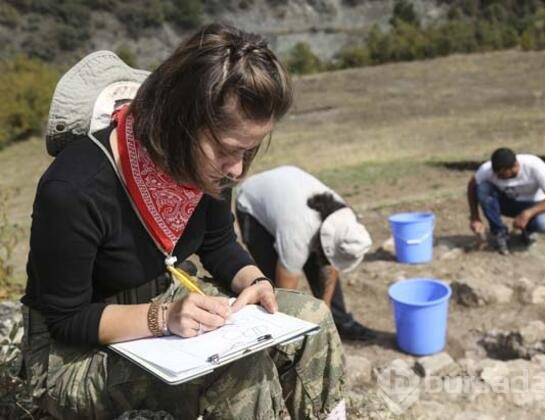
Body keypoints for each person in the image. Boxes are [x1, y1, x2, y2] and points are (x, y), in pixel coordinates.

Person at [20, 23, 346, 420]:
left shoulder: (206, 167)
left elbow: (218, 242)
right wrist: (163, 319)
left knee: (312, 318)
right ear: (180, 121)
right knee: (238, 370)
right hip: (72, 354)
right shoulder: (74, 188)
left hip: (163, 309)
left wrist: (254, 281)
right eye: (228, 149)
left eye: (251, 148)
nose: (238, 168)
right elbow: (65, 320)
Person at [236, 165, 377, 341]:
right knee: (271, 285)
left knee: (320, 266)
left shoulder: (343, 218)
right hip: (252, 203)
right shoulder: (297, 234)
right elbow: (285, 289)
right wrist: (289, 325)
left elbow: (330, 265)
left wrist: (323, 314)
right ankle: (277, 334)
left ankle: (339, 321)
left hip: (288, 190)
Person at [467, 148, 545, 255]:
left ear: (515, 165)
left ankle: (528, 231)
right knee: (483, 188)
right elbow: (472, 185)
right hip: (507, 203)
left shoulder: (535, 166)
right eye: (497, 175)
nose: (499, 177)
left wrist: (528, 213)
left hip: (534, 203)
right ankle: (499, 233)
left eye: (503, 175)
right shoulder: (487, 170)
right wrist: (475, 217)